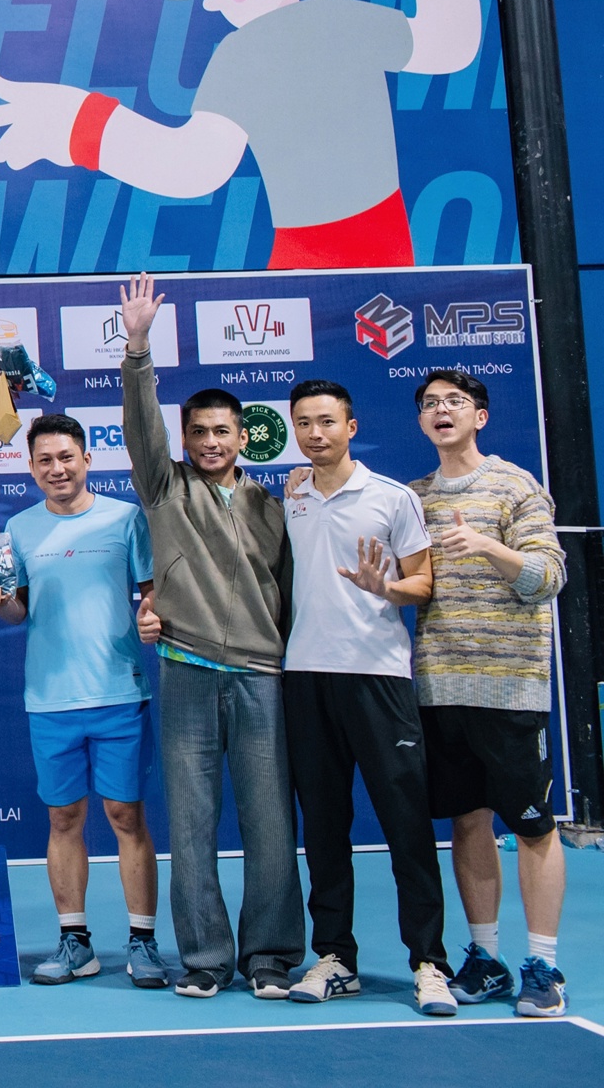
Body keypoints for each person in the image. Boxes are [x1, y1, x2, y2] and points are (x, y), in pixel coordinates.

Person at [0, 0, 477, 269]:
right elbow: (449, 41)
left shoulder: (244, 54)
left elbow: (194, 166)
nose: (216, 5)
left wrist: (77, 123)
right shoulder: (339, 20)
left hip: (315, 261)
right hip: (387, 249)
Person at [119, 273, 302, 1000]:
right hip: (187, 668)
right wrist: (138, 348)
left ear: (242, 436)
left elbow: (289, 595)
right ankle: (204, 958)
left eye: (222, 431)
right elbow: (142, 426)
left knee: (270, 825)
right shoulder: (165, 487)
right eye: (197, 432)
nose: (209, 442)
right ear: (184, 437)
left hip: (261, 676)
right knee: (192, 826)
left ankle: (270, 956)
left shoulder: (275, 506)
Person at [277, 379, 454, 1016]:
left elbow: (423, 583)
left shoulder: (393, 497)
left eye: (327, 421)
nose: (315, 433)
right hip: (304, 678)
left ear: (351, 427)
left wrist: (387, 589)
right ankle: (335, 957)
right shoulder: (290, 497)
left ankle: (429, 962)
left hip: (379, 679)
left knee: (407, 826)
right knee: (324, 827)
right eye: (304, 423)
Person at [403, 370, 569, 1017]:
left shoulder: (516, 485)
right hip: (441, 688)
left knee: (532, 826)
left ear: (481, 416)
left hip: (511, 689)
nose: (441, 411)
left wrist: (486, 546)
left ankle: (544, 965)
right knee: (467, 822)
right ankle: (487, 957)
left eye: (454, 402)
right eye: (430, 404)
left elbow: (547, 576)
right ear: (421, 420)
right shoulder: (415, 497)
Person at [0, 415, 171, 988]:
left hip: (119, 692)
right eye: (45, 460)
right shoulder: (19, 528)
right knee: (63, 818)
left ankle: (143, 941)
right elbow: (18, 610)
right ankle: (76, 942)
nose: (57, 469)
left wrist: (154, 618)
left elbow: (152, 594)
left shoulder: (125, 519)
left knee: (125, 817)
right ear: (30, 467)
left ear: (87, 459)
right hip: (50, 699)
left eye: (66, 457)